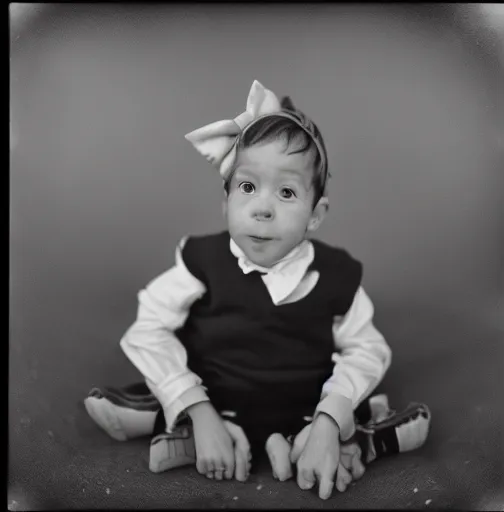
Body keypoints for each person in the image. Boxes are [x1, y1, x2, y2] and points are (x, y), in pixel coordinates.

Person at [84, 80, 431, 500]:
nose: (262, 208)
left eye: (286, 192)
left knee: (341, 422)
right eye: (247, 187)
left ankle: (354, 438)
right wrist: (199, 409)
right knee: (160, 395)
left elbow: (367, 349)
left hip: (303, 406)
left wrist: (327, 421)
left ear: (315, 215)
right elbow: (148, 328)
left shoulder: (336, 276)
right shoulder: (203, 261)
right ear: (226, 198)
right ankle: (198, 429)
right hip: (219, 397)